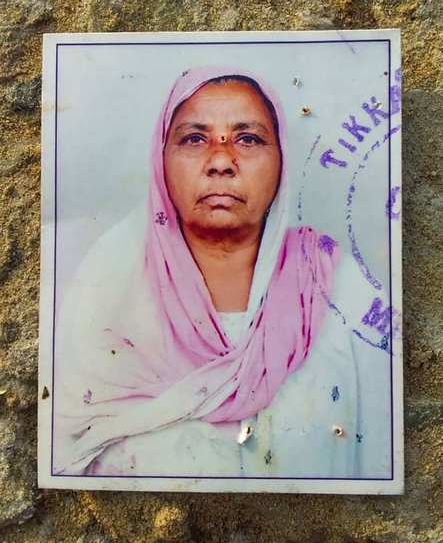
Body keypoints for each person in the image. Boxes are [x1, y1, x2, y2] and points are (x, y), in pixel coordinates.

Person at [53, 66, 391, 480]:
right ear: (160, 161)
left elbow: (381, 455)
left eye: (248, 139)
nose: (220, 161)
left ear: (282, 159)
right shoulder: (108, 290)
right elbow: (66, 456)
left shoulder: (337, 286)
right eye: (195, 139)